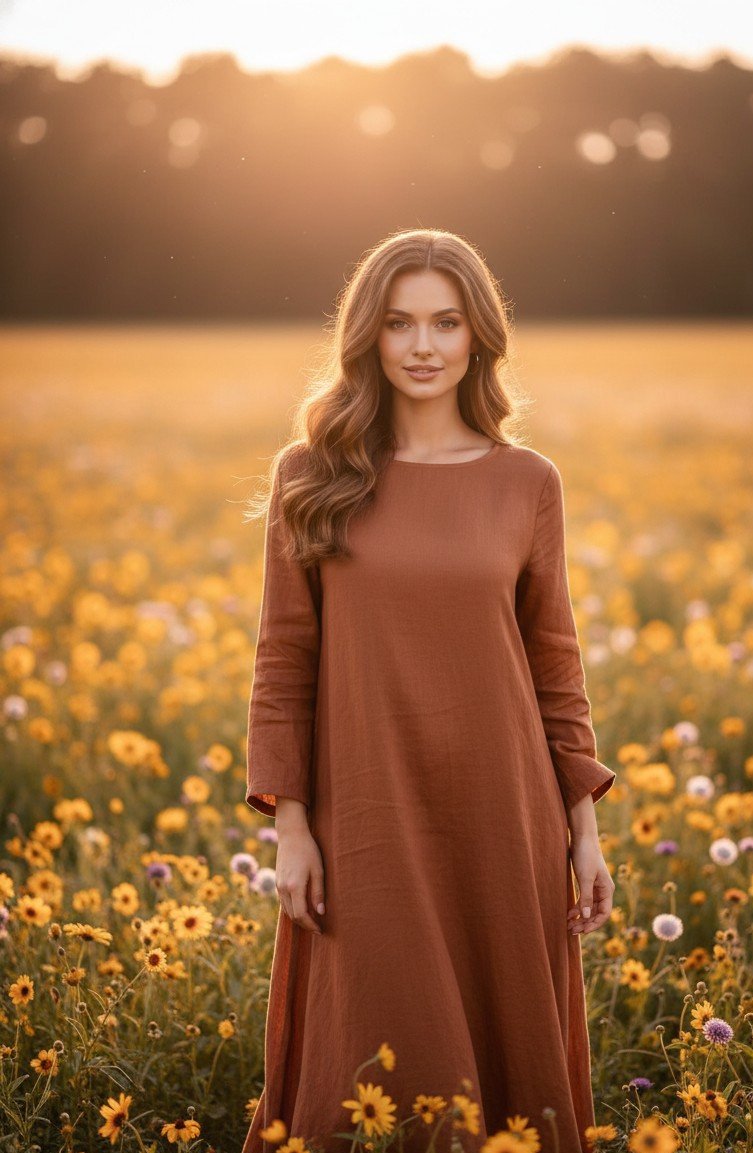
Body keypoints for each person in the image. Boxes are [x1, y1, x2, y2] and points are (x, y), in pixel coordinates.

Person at [241, 228, 616, 1153]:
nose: (421, 345)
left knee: (506, 1068)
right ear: (367, 335)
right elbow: (283, 660)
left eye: (445, 322)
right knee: (371, 1059)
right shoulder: (312, 475)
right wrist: (292, 824)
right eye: (400, 322)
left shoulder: (527, 482)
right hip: (364, 812)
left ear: (478, 336)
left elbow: (554, 662)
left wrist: (585, 828)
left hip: (503, 814)